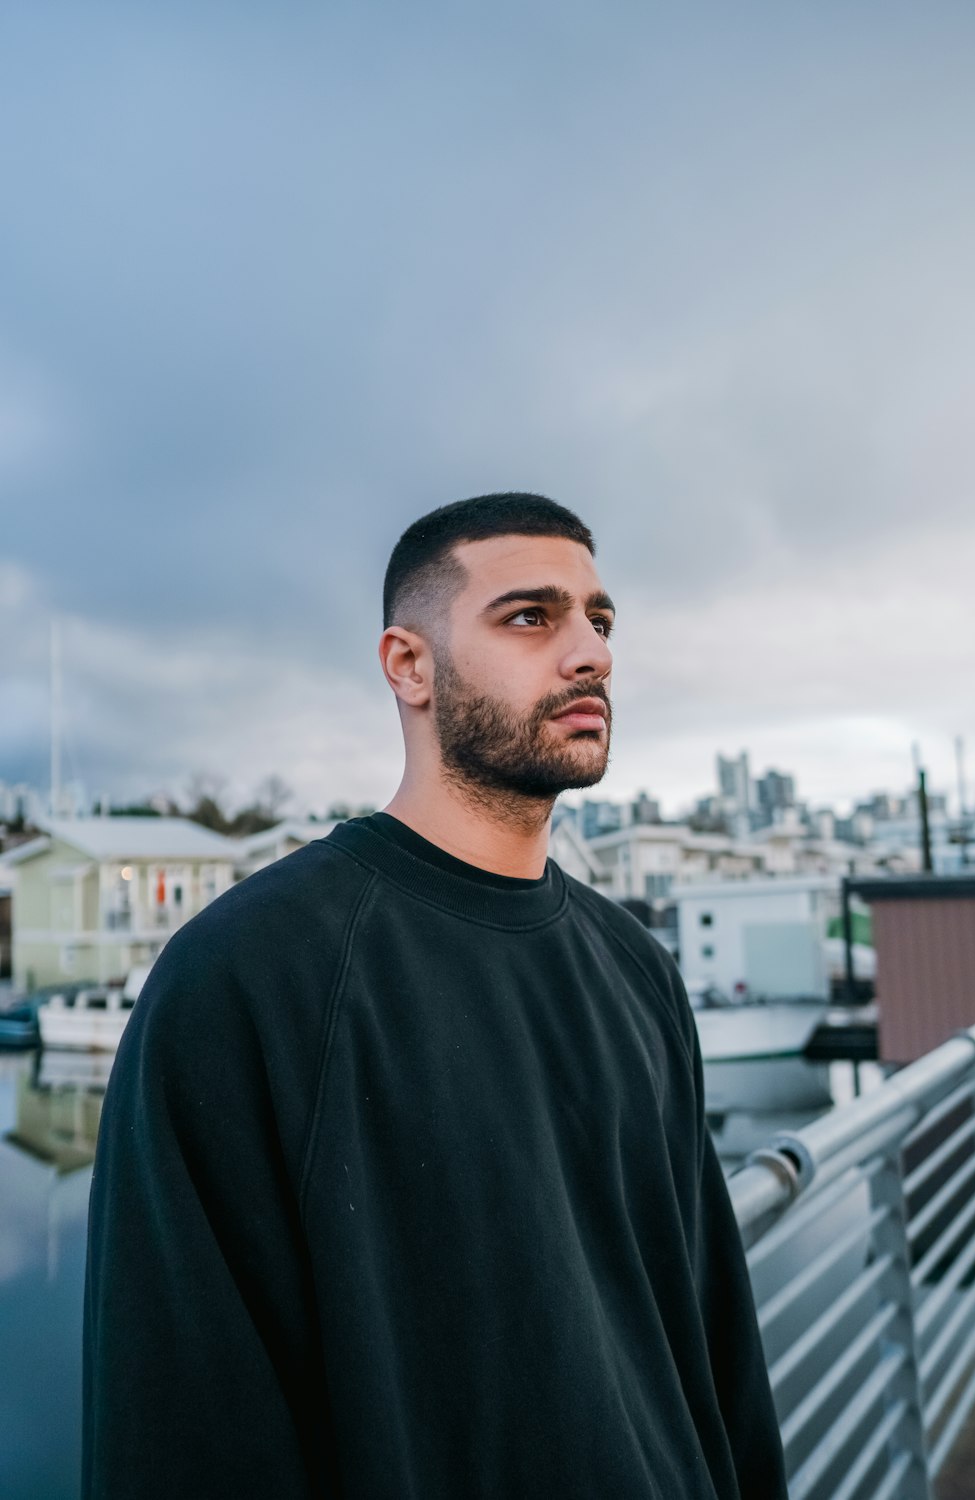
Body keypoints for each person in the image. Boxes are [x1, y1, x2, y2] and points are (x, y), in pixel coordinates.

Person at [83, 492, 788, 1499]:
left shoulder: (635, 966)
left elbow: (710, 1332)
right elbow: (179, 1421)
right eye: (529, 617)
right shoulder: (247, 975)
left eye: (599, 619)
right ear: (409, 666)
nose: (589, 652)